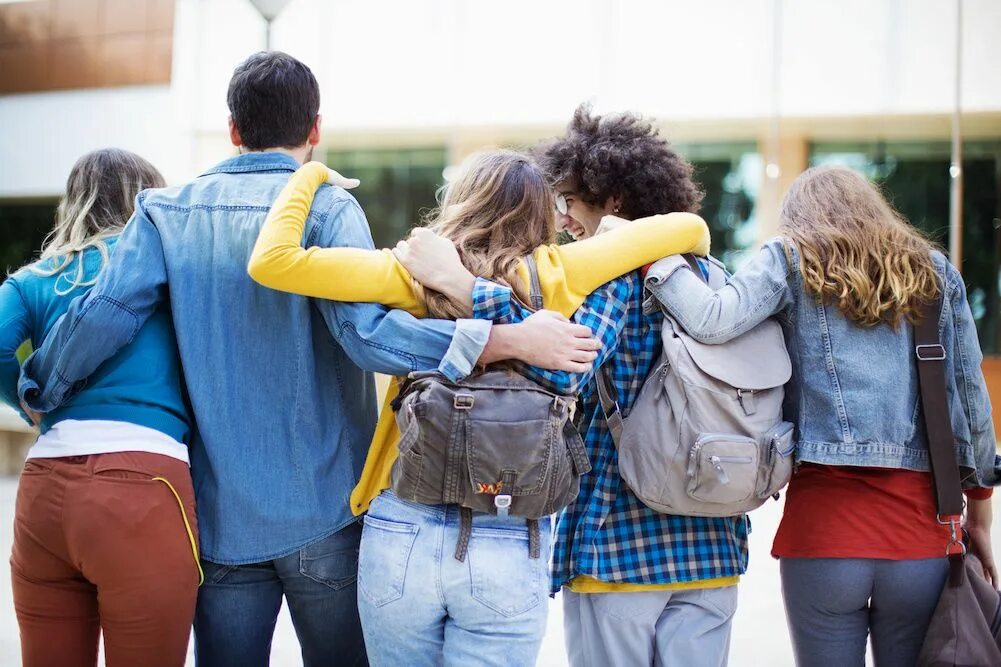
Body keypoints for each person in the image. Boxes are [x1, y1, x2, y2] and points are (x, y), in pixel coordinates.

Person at [17, 53, 595, 667]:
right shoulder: (327, 206)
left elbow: (107, 312)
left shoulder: (165, 212)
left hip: (221, 519)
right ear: (315, 129)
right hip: (328, 512)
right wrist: (489, 340)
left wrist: (40, 387)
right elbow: (364, 336)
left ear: (233, 129)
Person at [249, 147, 713, 665]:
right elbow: (691, 228)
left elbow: (271, 261)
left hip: (405, 522)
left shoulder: (409, 275)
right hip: (512, 530)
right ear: (541, 215)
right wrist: (614, 236)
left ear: (462, 203)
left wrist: (310, 174)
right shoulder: (563, 270)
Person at [386, 106, 750, 667]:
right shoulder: (715, 275)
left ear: (615, 201)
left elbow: (561, 363)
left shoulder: (617, 278)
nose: (565, 221)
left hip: (622, 543)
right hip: (716, 539)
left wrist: (465, 289)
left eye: (570, 203)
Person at [647, 165, 1000, 666]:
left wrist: (656, 263)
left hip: (822, 539)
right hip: (920, 542)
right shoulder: (932, 272)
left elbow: (712, 319)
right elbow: (970, 402)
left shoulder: (789, 259)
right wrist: (979, 515)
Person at [0, 149, 199, 667]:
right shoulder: (173, 276)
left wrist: (29, 406)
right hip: (144, 491)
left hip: (44, 491)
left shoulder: (35, 279)